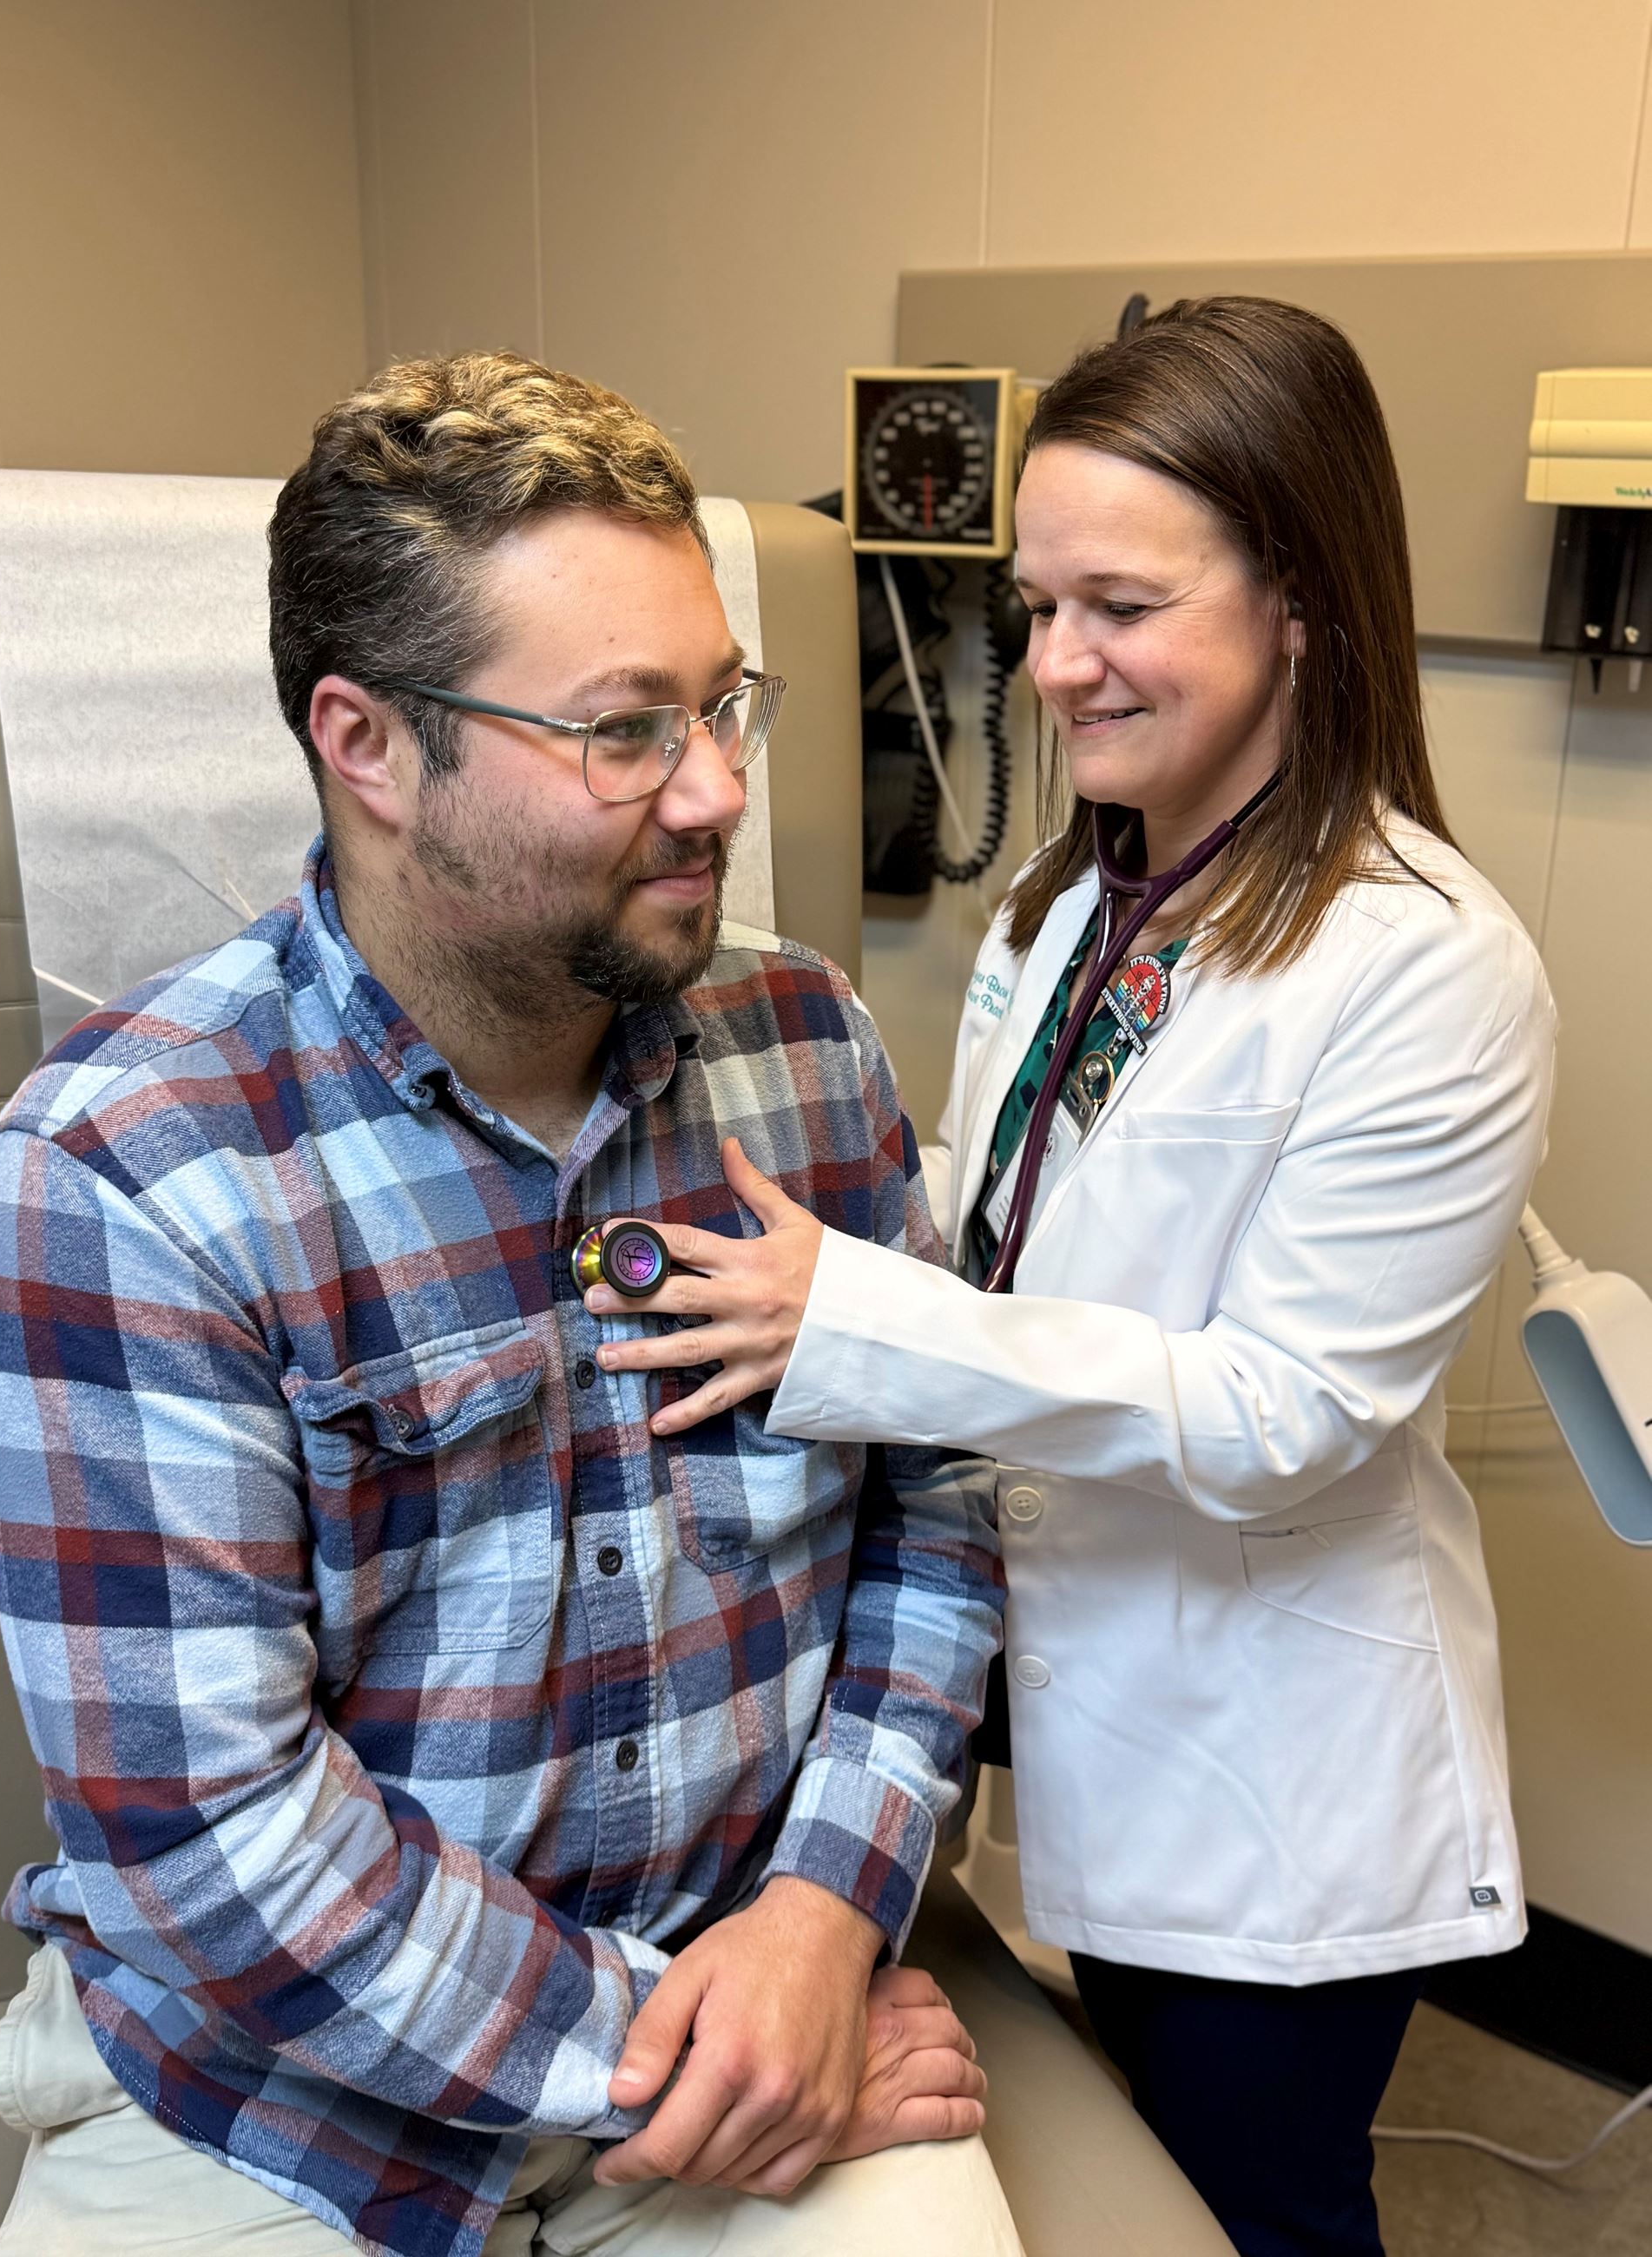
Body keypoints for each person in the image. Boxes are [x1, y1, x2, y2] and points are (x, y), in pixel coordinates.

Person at [0, 353, 1019, 2257]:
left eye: (722, 705)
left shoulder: (805, 1051)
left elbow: (930, 1511)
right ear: (369, 745)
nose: (716, 790)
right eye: (626, 732)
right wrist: (687, 2057)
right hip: (276, 2092)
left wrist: (823, 1921)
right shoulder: (126, 1172)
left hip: (757, 1975)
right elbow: (212, 1838)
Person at [581, 298, 1559, 2257]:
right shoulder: (1081, 895)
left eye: (1118, 602)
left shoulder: (1429, 966)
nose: (1051, 666)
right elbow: (1012, 1217)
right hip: (1082, 1681)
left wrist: (846, 1320)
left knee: (1253, 2204)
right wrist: (819, 1223)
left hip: (1269, 1774)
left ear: (1300, 595)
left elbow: (1290, 1413)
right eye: (1035, 606)